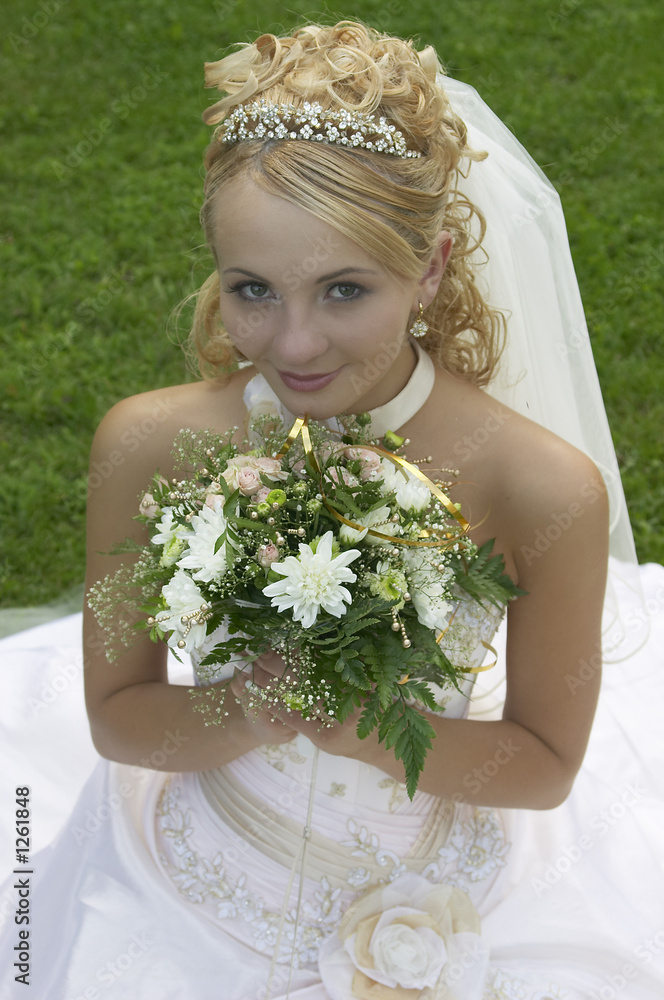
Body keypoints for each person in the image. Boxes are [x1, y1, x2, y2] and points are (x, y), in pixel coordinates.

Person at [1, 20, 663, 1000]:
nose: (294, 341)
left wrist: (367, 727)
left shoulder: (538, 486)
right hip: (195, 864)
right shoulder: (144, 446)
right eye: (253, 290)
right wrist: (241, 711)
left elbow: (544, 765)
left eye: (344, 289)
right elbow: (118, 715)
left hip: (434, 867)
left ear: (430, 270)